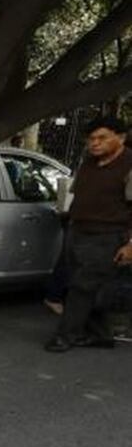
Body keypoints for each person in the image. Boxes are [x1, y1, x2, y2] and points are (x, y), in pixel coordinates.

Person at [45, 116, 132, 353]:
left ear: (121, 138)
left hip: (108, 235)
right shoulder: (88, 163)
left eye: (102, 138)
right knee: (88, 285)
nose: (95, 143)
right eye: (91, 139)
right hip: (78, 231)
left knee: (82, 287)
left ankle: (65, 336)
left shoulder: (129, 164)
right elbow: (77, 194)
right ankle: (100, 334)